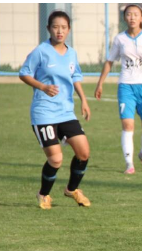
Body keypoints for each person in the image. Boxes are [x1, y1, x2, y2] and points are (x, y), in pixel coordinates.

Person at [19, 10, 92, 209]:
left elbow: (75, 77)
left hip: (66, 112)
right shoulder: (41, 51)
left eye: (63, 27)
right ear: (48, 29)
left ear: (69, 30)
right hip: (44, 113)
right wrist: (42, 87)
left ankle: (72, 189)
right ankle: (43, 194)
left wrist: (84, 100)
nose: (59, 31)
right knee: (56, 159)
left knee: (84, 153)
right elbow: (24, 73)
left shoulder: (72, 53)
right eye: (55, 27)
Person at [94, 4, 142, 174]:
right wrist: (100, 83)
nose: (132, 17)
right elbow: (109, 61)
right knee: (128, 124)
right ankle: (129, 164)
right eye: (128, 14)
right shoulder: (120, 39)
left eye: (135, 14)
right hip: (126, 86)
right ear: (124, 18)